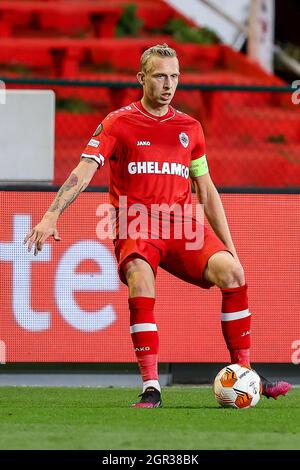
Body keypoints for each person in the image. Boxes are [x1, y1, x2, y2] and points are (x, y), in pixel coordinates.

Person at [24, 44, 291, 408]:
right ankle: (152, 387)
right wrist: (52, 214)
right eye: (161, 76)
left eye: (175, 77)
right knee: (140, 276)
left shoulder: (190, 129)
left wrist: (230, 247)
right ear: (142, 78)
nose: (169, 84)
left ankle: (245, 373)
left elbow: (206, 190)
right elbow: (85, 169)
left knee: (232, 273)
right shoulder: (119, 123)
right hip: (136, 225)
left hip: (182, 227)